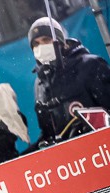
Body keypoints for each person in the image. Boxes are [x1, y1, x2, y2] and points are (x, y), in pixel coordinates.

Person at [29, 17, 110, 147]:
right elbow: (48, 134)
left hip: (101, 148)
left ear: (60, 41)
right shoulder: (40, 84)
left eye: (46, 40)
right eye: (36, 44)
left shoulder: (90, 65)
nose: (41, 47)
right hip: (70, 157)